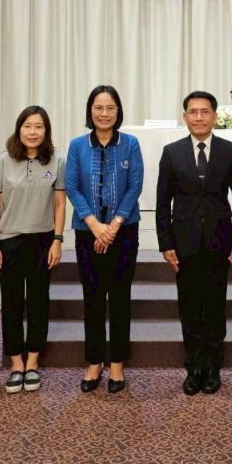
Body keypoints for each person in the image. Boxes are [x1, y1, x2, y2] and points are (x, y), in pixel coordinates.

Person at [156, 91, 232, 395]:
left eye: (205, 111)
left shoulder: (229, 151)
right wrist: (165, 243)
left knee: (215, 305)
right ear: (185, 117)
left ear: (214, 116)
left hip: (218, 239)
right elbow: (162, 203)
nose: (199, 117)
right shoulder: (171, 152)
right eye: (193, 112)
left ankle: (213, 366)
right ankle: (193, 366)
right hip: (183, 242)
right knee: (189, 306)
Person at [65, 86, 144, 394]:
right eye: (98, 107)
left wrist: (113, 227)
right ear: (90, 111)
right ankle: (94, 361)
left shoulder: (130, 144)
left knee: (121, 296)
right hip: (87, 232)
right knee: (93, 297)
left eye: (110, 108)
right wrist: (94, 225)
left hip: (124, 232)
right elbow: (72, 187)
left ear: (118, 111)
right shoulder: (77, 145)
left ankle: (118, 363)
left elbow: (135, 186)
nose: (104, 113)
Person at [0, 106, 66, 394]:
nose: (33, 132)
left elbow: (60, 204)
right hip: (9, 241)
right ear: (19, 129)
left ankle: (32, 362)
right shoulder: (3, 161)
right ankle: (16, 363)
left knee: (38, 302)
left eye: (39, 126)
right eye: (27, 126)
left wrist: (57, 239)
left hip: (42, 241)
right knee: (11, 304)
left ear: (46, 131)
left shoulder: (57, 160)